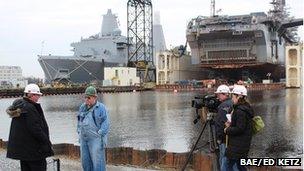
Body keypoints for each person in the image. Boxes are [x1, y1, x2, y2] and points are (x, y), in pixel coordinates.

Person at [6, 83, 54, 171]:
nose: (39, 97)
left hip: (23, 151)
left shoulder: (19, 107)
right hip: (34, 151)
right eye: (37, 95)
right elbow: (35, 129)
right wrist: (46, 142)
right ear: (31, 95)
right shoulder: (30, 108)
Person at [77, 86, 109, 171]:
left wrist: (101, 132)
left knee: (98, 162)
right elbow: (79, 121)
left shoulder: (101, 108)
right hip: (84, 139)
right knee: (85, 161)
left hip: (96, 139)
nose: (87, 100)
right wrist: (79, 132)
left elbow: (106, 123)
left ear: (95, 97)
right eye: (85, 97)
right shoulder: (82, 107)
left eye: (89, 97)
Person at [224, 85, 254, 171]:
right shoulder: (245, 108)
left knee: (228, 165)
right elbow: (241, 126)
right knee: (240, 165)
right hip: (241, 144)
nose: (232, 98)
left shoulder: (240, 111)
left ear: (238, 96)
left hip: (238, 145)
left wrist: (227, 129)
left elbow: (240, 128)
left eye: (233, 96)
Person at [214, 84, 233, 171]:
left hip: (224, 139)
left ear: (224, 94)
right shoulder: (233, 103)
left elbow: (220, 124)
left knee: (223, 160)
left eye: (218, 95)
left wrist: (219, 138)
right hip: (232, 138)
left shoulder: (223, 106)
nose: (218, 97)